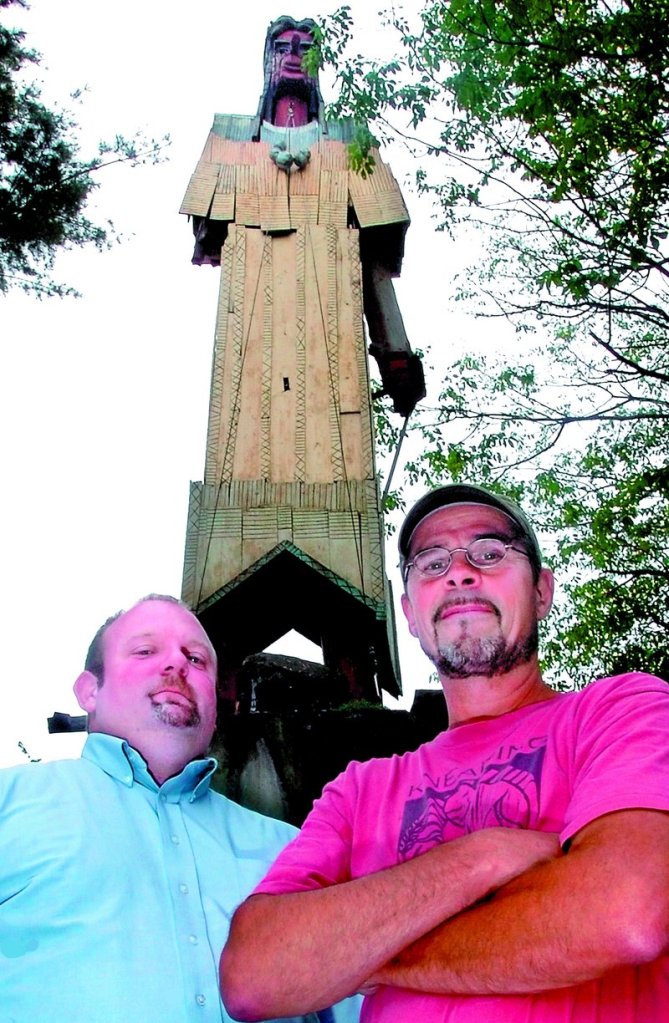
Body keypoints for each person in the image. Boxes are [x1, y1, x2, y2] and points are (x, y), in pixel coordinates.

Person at [220, 484, 669, 1022]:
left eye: (490, 552)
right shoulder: (360, 790)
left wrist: (366, 954)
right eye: (431, 563)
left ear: (542, 592)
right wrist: (485, 858)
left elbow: (625, 911)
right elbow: (253, 976)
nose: (460, 572)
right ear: (409, 614)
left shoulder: (622, 712)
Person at [0, 593, 358, 1023]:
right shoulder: (11, 802)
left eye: (197, 659)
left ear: (218, 702)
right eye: (146, 651)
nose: (176, 665)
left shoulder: (294, 850)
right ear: (89, 690)